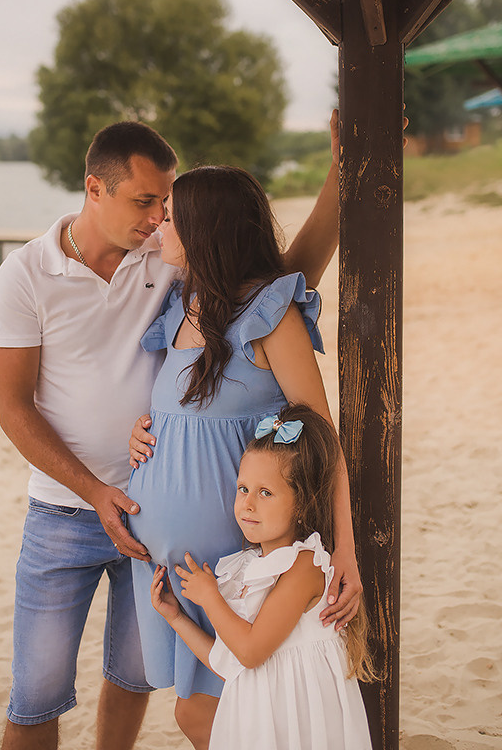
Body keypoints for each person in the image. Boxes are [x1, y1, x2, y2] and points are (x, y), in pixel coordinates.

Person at [0, 119, 343, 750]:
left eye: (165, 204)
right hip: (68, 511)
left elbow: (272, 282)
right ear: (94, 189)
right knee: (38, 690)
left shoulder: (170, 258)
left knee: (140, 680)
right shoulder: (26, 276)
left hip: (168, 528)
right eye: (145, 202)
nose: (156, 219)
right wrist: (98, 487)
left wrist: (340, 178)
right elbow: (13, 408)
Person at [128, 165, 362, 748]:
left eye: (173, 217)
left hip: (237, 560)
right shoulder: (181, 309)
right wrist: (142, 433)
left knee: (211, 715)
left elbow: (320, 440)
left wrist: (346, 553)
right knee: (214, 712)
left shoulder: (268, 317)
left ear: (207, 231)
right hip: (181, 567)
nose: (158, 223)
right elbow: (186, 415)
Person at [149, 404, 374, 750]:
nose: (248, 504)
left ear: (302, 504)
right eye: (243, 489)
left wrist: (210, 597)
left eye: (265, 493)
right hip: (264, 719)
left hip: (298, 720)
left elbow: (251, 651)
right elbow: (231, 661)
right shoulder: (250, 566)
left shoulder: (305, 566)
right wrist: (176, 617)